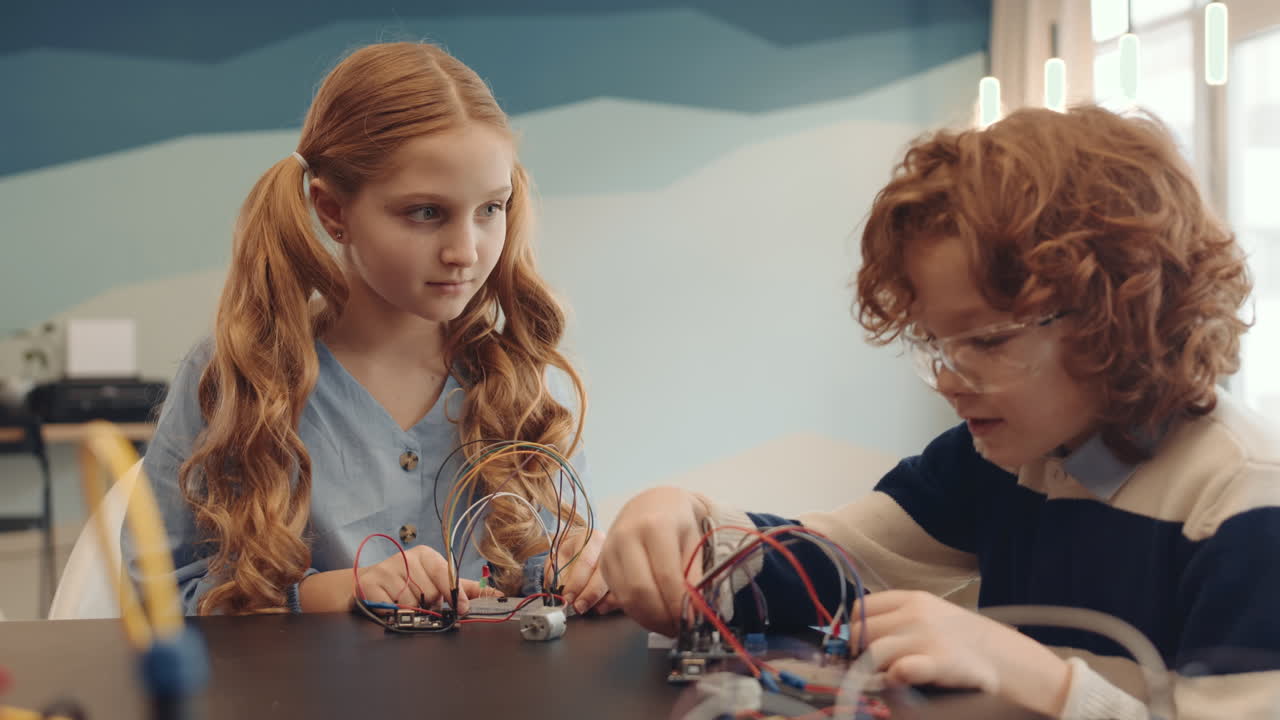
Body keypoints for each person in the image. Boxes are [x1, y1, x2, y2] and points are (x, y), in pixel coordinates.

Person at [600, 105, 1279, 718]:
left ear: (1123, 314)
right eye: (935, 342)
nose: (947, 379)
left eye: (987, 341)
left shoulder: (1245, 502)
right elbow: (827, 565)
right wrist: (687, 525)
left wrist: (1035, 677)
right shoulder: (1010, 453)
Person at [127, 42, 609, 618]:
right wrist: (327, 593)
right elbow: (161, 600)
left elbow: (547, 572)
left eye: (490, 209)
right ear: (332, 212)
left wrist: (581, 571)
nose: (465, 251)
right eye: (425, 213)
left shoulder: (521, 382)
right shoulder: (234, 376)